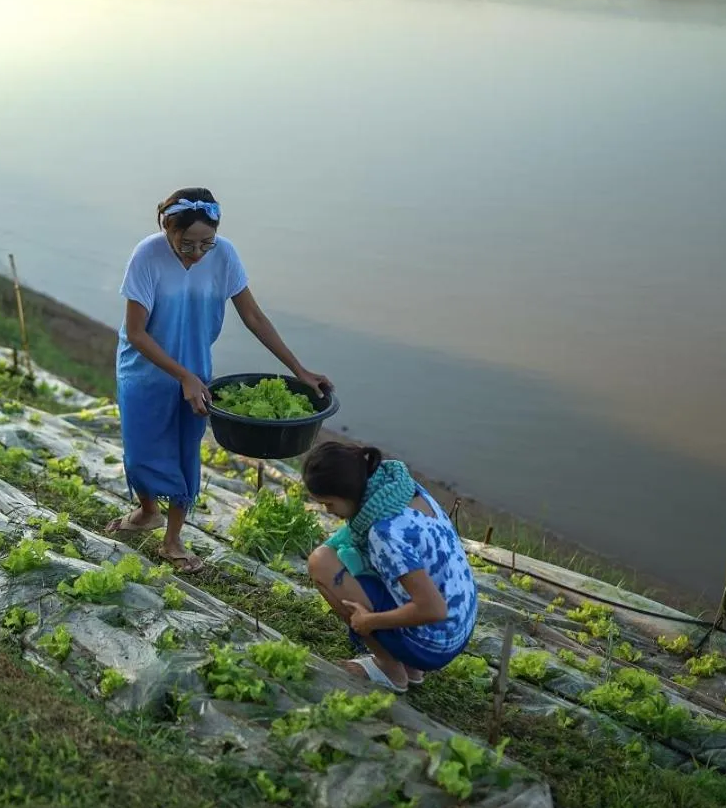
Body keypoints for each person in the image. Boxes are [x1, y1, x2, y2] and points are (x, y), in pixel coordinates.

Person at [107, 187, 331, 572]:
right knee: (141, 451)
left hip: (195, 369)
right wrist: (182, 377)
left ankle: (173, 540)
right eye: (186, 243)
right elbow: (138, 333)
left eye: (205, 243)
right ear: (167, 228)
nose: (196, 253)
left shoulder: (224, 254)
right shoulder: (147, 255)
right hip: (145, 370)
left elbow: (255, 317)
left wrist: (300, 370)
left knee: (184, 452)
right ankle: (147, 511)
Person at [302, 441, 478, 692]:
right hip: (460, 623)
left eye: (329, 504)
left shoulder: (383, 532)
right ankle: (411, 668)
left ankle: (390, 668)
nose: (328, 511)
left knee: (321, 563)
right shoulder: (401, 489)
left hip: (436, 641)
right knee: (336, 553)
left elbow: (433, 609)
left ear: (348, 493)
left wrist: (370, 621)